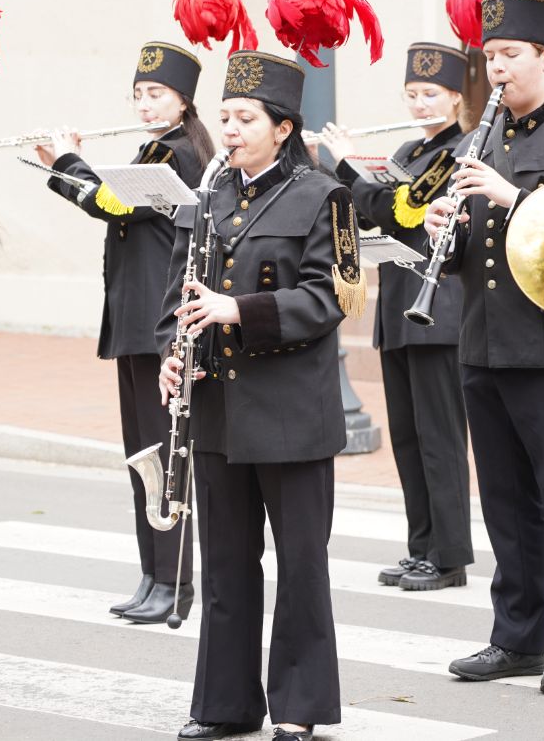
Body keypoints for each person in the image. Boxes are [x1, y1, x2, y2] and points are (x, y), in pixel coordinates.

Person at [425, 0, 544, 695]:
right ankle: (515, 638)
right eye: (490, 57)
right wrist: (445, 227)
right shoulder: (487, 133)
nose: (496, 70)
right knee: (506, 501)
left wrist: (511, 198)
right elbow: (472, 250)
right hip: (483, 340)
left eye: (510, 56)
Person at [159, 50, 358, 741]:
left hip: (292, 413)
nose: (232, 130)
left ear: (283, 126)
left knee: (301, 566)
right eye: (225, 117)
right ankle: (225, 703)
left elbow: (330, 298)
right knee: (225, 566)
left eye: (245, 118)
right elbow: (180, 297)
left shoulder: (325, 197)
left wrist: (238, 309)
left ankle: (299, 708)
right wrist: (171, 355)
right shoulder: (209, 197)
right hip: (219, 413)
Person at [35, 41, 213, 624]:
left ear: (183, 100)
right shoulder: (155, 149)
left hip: (159, 322)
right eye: (137, 95)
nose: (143, 105)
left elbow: (112, 202)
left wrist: (66, 163)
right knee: (142, 454)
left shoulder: (182, 155)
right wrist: (61, 167)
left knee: (166, 452)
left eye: (155, 94)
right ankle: (151, 573)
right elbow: (112, 201)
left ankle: (174, 579)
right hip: (134, 320)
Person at [314, 42, 474, 591]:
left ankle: (449, 556)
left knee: (440, 436)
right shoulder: (409, 149)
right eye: (412, 94)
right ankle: (421, 546)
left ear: (456, 98)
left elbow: (396, 206)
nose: (419, 103)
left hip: (440, 310)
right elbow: (368, 210)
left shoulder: (461, 150)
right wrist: (354, 179)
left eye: (431, 94)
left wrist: (347, 166)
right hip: (398, 306)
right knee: (408, 437)